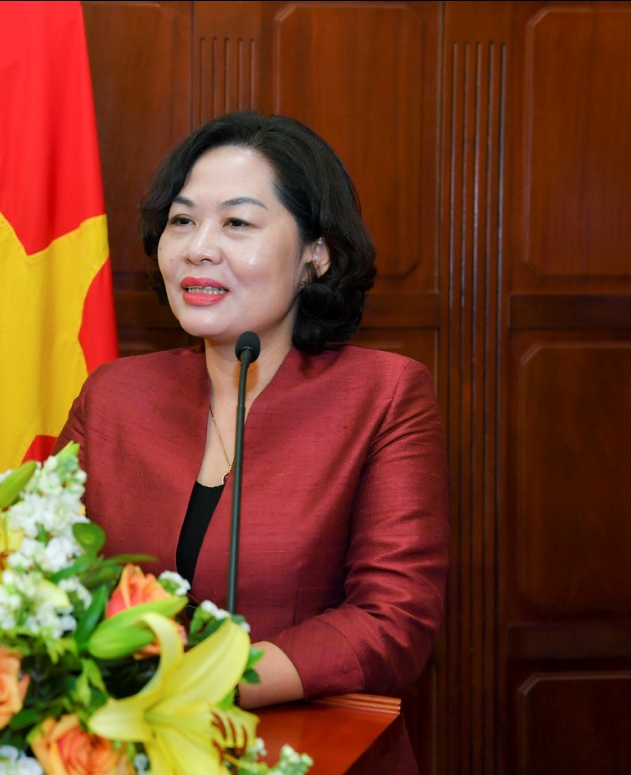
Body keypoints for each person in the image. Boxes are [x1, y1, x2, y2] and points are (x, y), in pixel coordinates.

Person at [55, 111, 449, 771]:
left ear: (316, 253)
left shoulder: (383, 395)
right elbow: (37, 569)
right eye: (182, 221)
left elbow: (393, 619)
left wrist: (206, 683)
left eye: (237, 223)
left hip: (307, 754)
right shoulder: (113, 397)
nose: (199, 248)